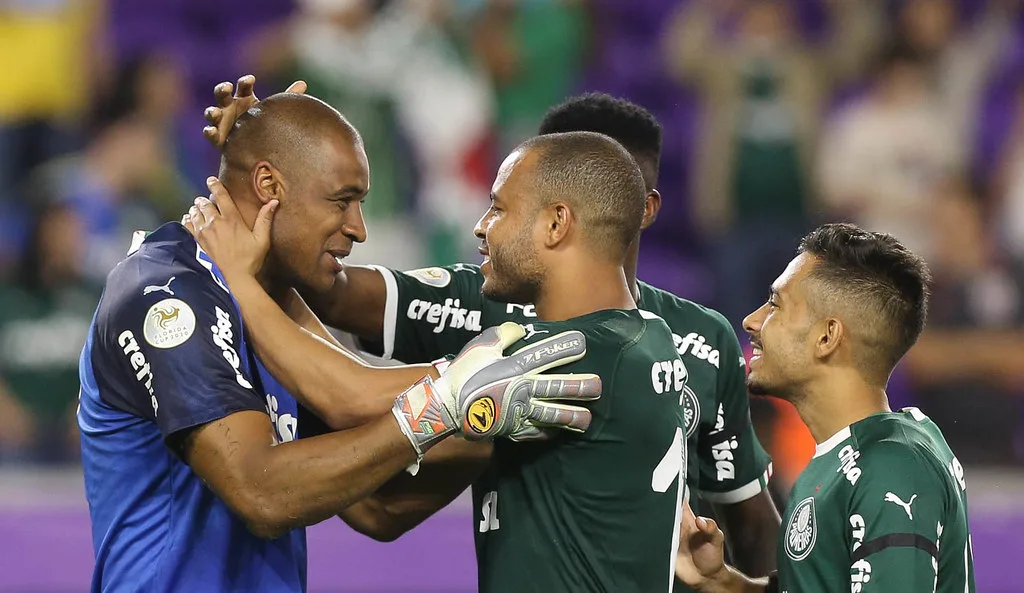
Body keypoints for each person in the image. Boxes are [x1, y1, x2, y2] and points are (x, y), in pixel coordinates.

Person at [203, 77, 780, 578]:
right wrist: (264, 153)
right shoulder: (639, 341)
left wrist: (240, 279)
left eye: (500, 209)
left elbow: (349, 394)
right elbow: (380, 509)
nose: (481, 227)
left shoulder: (572, 356)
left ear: (557, 224)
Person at [77, 93, 599, 593]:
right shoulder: (166, 296)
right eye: (342, 201)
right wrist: (448, 401)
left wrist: (490, 424)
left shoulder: (267, 300)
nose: (359, 229)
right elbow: (259, 491)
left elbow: (379, 507)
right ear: (268, 184)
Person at [675, 223, 976, 593]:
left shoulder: (891, 468)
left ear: (826, 337)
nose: (752, 322)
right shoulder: (851, 460)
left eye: (775, 305)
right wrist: (721, 581)